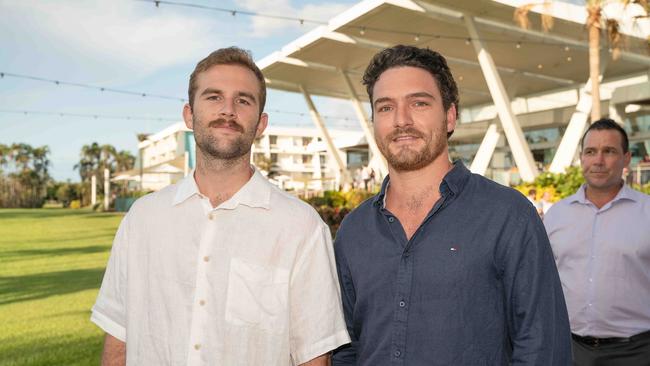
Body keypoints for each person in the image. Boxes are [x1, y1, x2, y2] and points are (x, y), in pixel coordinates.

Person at [91, 47, 350, 366]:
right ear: (189, 114)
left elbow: (314, 356)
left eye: (243, 100)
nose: (228, 110)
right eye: (213, 97)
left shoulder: (301, 227)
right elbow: (118, 337)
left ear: (260, 124)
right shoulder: (143, 219)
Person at [331, 45, 571, 365]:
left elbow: (543, 348)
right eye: (386, 107)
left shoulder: (508, 216)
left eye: (419, 103)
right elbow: (345, 347)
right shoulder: (354, 230)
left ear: (450, 116)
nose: (401, 120)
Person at [544, 118, 650, 366]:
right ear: (582, 158)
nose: (598, 161)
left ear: (626, 159)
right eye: (591, 152)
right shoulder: (556, 215)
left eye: (609, 151)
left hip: (636, 352)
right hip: (569, 349)